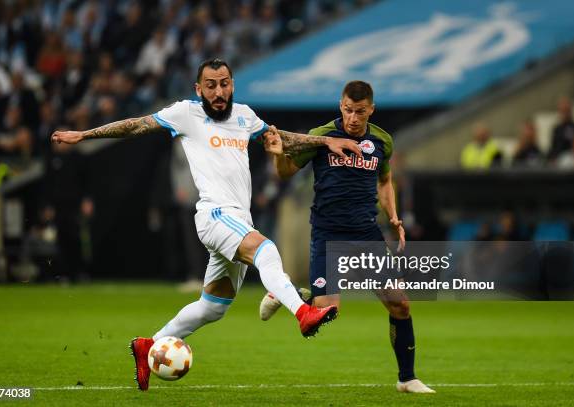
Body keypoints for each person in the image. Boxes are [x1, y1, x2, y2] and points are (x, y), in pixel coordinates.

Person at [51, 58, 361, 391]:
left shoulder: (244, 116)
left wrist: (325, 141)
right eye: (210, 85)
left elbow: (280, 136)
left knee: (212, 308)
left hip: (238, 219)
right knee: (265, 248)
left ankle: (148, 344)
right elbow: (137, 125)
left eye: (224, 83)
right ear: (199, 89)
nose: (218, 91)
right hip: (214, 214)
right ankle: (302, 312)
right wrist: (84, 135)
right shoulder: (186, 113)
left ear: (232, 85)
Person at [258, 81, 435, 394]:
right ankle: (290, 296)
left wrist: (393, 216)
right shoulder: (320, 136)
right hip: (328, 231)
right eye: (348, 110)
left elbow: (385, 181)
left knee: (401, 305)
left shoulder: (382, 141)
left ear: (371, 110)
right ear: (341, 106)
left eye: (360, 112)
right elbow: (286, 171)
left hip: (367, 233)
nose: (353, 117)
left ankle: (407, 379)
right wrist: (277, 154)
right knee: (328, 312)